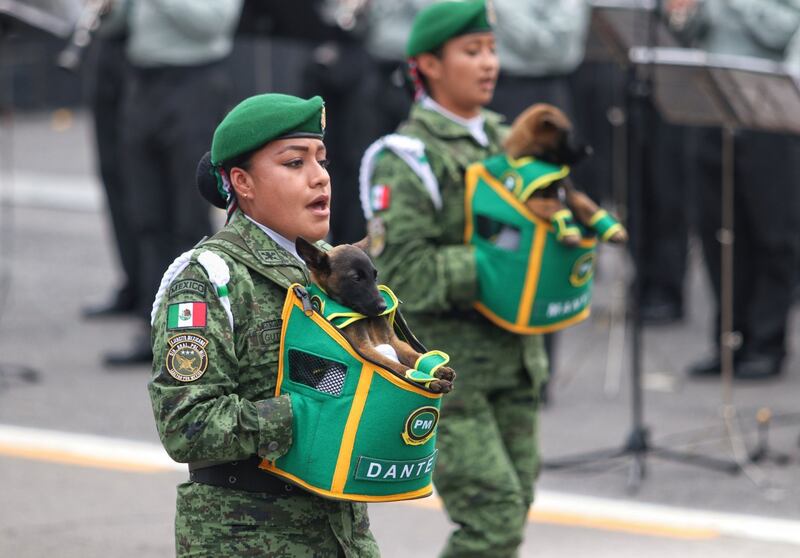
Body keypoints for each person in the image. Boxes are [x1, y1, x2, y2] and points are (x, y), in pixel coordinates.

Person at [148, 93, 380, 556]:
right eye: (294, 163)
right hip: (247, 538)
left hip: (341, 534)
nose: (319, 177)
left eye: (322, 160)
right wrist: (308, 413)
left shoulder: (324, 268)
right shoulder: (209, 277)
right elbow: (186, 423)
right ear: (243, 182)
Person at [360, 2, 548, 556]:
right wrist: (498, 264)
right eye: (471, 52)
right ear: (429, 65)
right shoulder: (409, 157)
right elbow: (402, 277)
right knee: (492, 521)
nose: (489, 63)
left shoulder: (508, 140)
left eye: (490, 49)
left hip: (517, 360)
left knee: (513, 507)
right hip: (452, 373)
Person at [101, 0, 243, 365]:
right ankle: (151, 328)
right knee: (147, 214)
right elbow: (115, 26)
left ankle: (192, 332)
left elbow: (213, 24)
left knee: (187, 217)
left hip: (194, 82)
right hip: (143, 83)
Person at [674, 0, 800, 379]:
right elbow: (688, 35)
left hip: (769, 115)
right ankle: (728, 339)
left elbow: (783, 31)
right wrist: (685, 14)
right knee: (718, 232)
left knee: (773, 233)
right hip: (713, 110)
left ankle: (766, 342)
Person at [82, 32, 139, 318]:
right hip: (106, 54)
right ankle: (134, 283)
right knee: (112, 176)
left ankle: (161, 295)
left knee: (144, 186)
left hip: (146, 61)